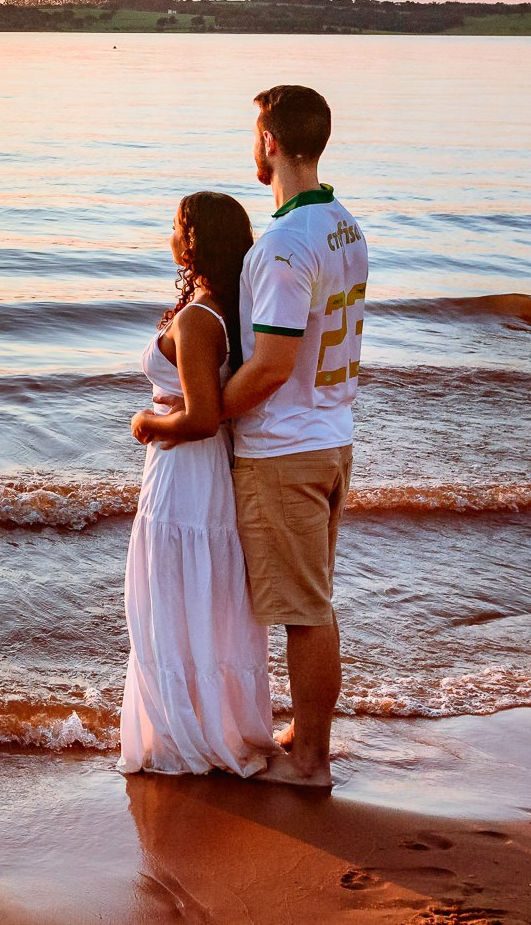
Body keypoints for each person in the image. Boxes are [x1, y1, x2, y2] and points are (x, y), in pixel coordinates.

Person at [219, 84, 367, 788]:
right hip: (332, 434)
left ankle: (310, 760)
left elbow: (273, 363)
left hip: (286, 446)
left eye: (255, 134)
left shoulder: (281, 244)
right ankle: (307, 735)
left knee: (305, 611)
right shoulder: (344, 226)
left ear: (270, 142)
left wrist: (207, 412)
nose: (254, 145)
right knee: (314, 601)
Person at [119, 191, 278, 776]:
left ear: (192, 242)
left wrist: (146, 423)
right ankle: (213, 721)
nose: (168, 237)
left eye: (174, 227)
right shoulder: (231, 311)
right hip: (210, 470)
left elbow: (202, 416)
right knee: (201, 594)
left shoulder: (197, 319)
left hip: (183, 468)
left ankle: (186, 735)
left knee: (173, 591)